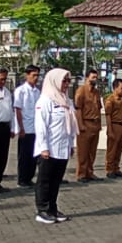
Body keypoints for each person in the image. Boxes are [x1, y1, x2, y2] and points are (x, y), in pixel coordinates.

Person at [33, 68, 77, 224]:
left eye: (68, 81)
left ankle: (52, 208)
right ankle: (42, 210)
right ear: (54, 81)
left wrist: (71, 145)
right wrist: (43, 147)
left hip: (62, 148)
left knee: (56, 181)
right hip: (49, 148)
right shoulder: (45, 100)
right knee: (45, 180)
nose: (66, 84)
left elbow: (70, 126)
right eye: (64, 80)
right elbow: (41, 126)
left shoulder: (66, 100)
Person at [12, 65, 41, 187]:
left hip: (35, 128)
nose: (36, 78)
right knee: (24, 156)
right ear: (27, 75)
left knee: (33, 156)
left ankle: (29, 177)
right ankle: (22, 179)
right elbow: (18, 110)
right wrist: (20, 128)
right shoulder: (20, 90)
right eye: (33, 75)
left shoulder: (38, 91)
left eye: (37, 75)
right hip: (25, 127)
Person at [73, 69, 104, 181]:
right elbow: (78, 109)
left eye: (96, 77)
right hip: (85, 123)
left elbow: (99, 108)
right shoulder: (81, 91)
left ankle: (90, 172)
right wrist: (80, 125)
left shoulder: (96, 92)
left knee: (92, 151)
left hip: (95, 124)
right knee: (83, 152)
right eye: (93, 77)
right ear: (87, 78)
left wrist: (99, 124)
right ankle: (81, 174)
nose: (95, 79)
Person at [104, 78, 122, 178]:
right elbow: (108, 116)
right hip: (114, 125)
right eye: (121, 88)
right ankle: (109, 169)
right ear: (115, 88)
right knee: (112, 150)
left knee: (119, 149)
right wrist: (109, 130)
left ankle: (116, 168)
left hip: (121, 126)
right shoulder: (110, 100)